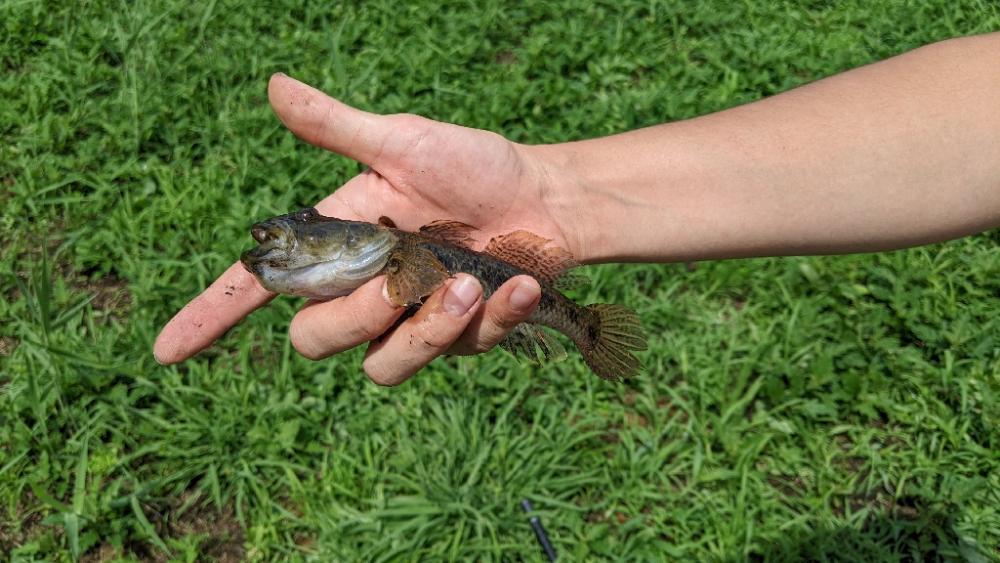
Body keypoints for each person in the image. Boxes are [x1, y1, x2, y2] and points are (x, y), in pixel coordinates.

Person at [153, 32, 1000, 385]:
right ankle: (566, 319)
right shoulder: (398, 248)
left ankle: (577, 325)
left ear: (354, 236)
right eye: (299, 233)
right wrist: (560, 194)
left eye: (307, 227)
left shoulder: (400, 248)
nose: (294, 235)